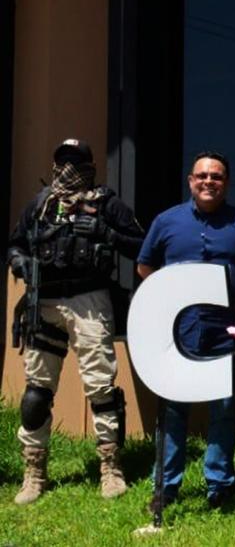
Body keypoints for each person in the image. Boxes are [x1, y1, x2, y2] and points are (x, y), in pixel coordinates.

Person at [6, 138, 145, 505]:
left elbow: (141, 246)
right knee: (37, 391)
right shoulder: (41, 204)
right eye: (63, 161)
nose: (68, 169)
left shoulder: (107, 204)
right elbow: (15, 244)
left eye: (76, 162)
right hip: (45, 300)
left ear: (90, 166)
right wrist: (19, 262)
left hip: (89, 299)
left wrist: (105, 233)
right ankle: (34, 471)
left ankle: (110, 467)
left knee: (100, 386)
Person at [137, 151, 235, 510]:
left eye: (216, 176)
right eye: (202, 176)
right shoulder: (166, 221)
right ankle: (166, 486)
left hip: (226, 330)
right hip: (179, 332)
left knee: (225, 410)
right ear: (191, 181)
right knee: (173, 410)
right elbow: (145, 266)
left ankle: (219, 486)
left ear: (226, 183)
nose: (209, 182)